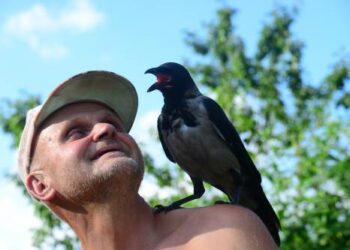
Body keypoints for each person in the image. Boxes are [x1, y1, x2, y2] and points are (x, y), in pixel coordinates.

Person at [18, 70, 279, 250]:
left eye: (113, 124)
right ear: (40, 185)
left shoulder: (224, 228)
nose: (105, 130)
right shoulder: (165, 124)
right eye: (77, 132)